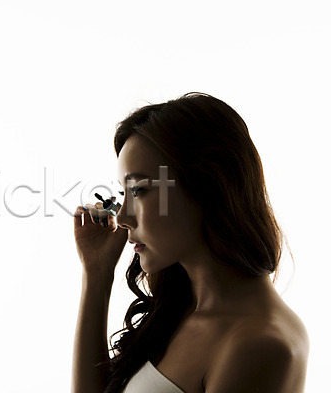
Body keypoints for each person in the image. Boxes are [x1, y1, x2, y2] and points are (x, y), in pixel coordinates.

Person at [71, 93, 309, 393]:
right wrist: (96, 273)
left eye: (139, 190)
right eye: (124, 193)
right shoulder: (180, 309)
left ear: (208, 185)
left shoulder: (260, 346)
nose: (123, 217)